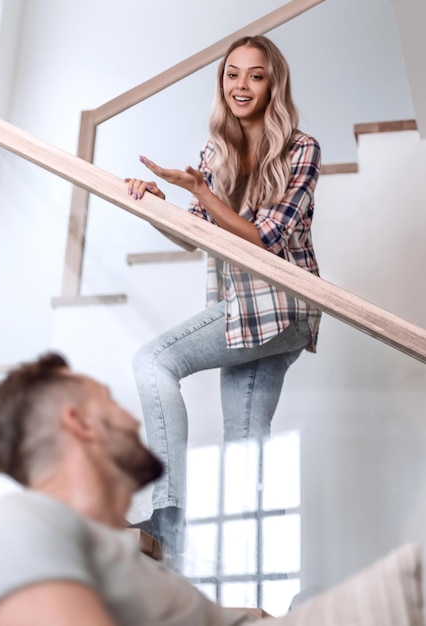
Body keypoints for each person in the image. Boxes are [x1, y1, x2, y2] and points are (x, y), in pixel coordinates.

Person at [125, 35, 322, 563]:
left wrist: (202, 193)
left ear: (272, 83)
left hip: (280, 307)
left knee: (154, 361)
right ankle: (246, 564)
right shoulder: (216, 154)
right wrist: (160, 205)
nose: (241, 85)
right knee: (247, 437)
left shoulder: (301, 148)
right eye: (232, 74)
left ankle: (170, 514)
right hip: (243, 311)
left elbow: (264, 238)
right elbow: (194, 234)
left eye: (255, 75)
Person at [0, 352, 267, 626]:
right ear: (79, 422)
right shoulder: (13, 529)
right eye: (110, 402)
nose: (132, 421)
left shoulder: (142, 574)